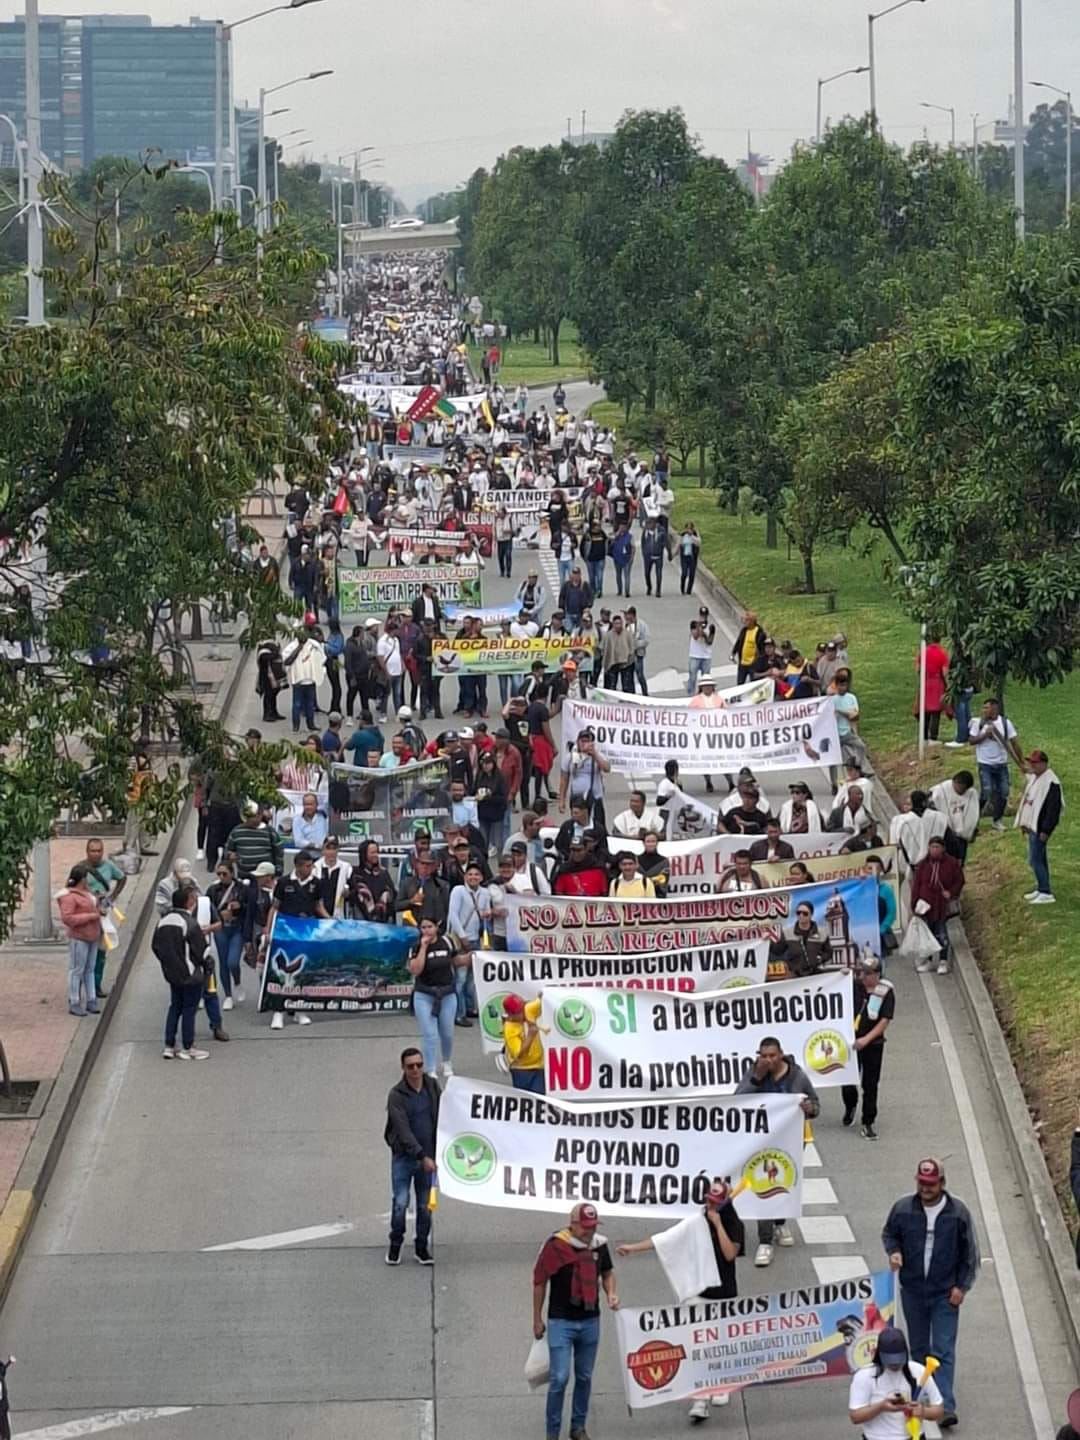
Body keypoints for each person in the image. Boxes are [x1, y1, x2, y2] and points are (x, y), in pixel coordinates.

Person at [616, 1179, 743, 1422]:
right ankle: (700, 1399)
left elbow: (730, 1253)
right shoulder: (696, 1221)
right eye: (708, 1200)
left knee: (720, 1345)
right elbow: (666, 1239)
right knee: (698, 1345)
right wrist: (633, 1248)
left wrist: (717, 1225)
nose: (710, 1205)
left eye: (715, 1202)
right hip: (699, 1293)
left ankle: (721, 1385)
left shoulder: (733, 1223)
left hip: (724, 1295)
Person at [882, 1157, 980, 1429]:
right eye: (922, 1183)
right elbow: (889, 1234)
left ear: (942, 1183)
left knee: (943, 1350)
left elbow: (971, 1255)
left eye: (931, 1184)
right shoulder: (903, 1209)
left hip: (945, 1293)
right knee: (919, 1348)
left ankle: (945, 1406)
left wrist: (962, 1286)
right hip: (912, 1290)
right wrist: (894, 1252)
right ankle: (922, 1399)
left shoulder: (958, 1213)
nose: (926, 1189)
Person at [533, 1203, 618, 1440]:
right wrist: (536, 1318)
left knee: (585, 1376)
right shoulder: (556, 1246)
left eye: (593, 1227)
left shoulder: (599, 1245)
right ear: (573, 1224)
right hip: (561, 1321)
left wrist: (611, 1292)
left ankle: (578, 1427)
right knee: (559, 1378)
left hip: (591, 1320)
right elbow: (540, 1280)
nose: (589, 1232)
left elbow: (608, 1273)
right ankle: (552, 1432)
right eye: (585, 1227)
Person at [735, 1037, 820, 1266]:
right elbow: (737, 1100)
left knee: (783, 1183)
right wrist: (756, 1078)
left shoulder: (797, 1076)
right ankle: (765, 1241)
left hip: (791, 1141)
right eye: (763, 1056)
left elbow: (815, 1104)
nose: (768, 1060)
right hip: (762, 1141)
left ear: (781, 1054)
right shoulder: (754, 1073)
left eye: (772, 1056)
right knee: (763, 1184)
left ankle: (780, 1223)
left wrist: (809, 1108)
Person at [384, 1047, 439, 1266]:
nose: (415, 1070)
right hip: (405, 1158)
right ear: (403, 1068)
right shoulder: (396, 1095)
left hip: (429, 1157)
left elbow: (445, 1112)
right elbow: (403, 1131)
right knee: (400, 1202)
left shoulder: (432, 1086)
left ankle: (421, 1247)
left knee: (426, 1205)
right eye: (410, 1066)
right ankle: (395, 1245)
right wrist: (421, 1156)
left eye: (419, 1065)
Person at [847, 1325, 945, 1437]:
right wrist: (882, 1407)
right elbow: (855, 1417)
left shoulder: (919, 1371)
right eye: (890, 1361)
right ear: (878, 1354)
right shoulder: (864, 1376)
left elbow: (939, 1409)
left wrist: (923, 1412)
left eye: (899, 1360)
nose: (895, 1365)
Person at [152, 885, 211, 1061]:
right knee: (189, 1009)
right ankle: (188, 1046)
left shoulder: (163, 921)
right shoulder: (190, 923)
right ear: (188, 902)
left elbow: (155, 946)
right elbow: (202, 951)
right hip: (190, 973)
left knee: (174, 1006)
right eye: (192, 899)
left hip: (171, 972)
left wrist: (168, 963)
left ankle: (169, 1046)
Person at [840, 954, 894, 1140]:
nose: (864, 976)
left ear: (877, 974)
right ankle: (850, 1105)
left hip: (873, 1044)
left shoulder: (885, 991)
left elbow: (884, 1020)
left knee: (870, 1085)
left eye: (869, 973)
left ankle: (868, 1122)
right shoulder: (854, 986)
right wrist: (841, 975)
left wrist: (867, 1039)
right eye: (863, 972)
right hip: (849, 1042)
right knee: (847, 1080)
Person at [408, 917, 460, 1080]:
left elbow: (456, 961)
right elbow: (416, 970)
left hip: (446, 994)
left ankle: (446, 1061)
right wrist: (423, 947)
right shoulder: (416, 946)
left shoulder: (448, 942)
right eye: (423, 927)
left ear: (436, 927)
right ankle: (430, 1068)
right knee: (430, 1034)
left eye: (429, 927)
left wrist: (473, 958)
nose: (426, 931)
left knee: (447, 1032)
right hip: (425, 995)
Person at [1014, 748, 1064, 905]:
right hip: (1033, 826)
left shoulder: (1052, 783)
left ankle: (1045, 891)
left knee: (1035, 859)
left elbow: (1052, 810)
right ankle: (1042, 887)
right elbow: (1030, 801)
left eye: (1035, 763)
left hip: (1041, 828)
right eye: (1031, 763)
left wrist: (1046, 830)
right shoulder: (1036, 778)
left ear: (1043, 763)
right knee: (1040, 858)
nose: (1032, 766)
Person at [910, 835, 964, 975]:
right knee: (927, 934)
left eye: (937, 847)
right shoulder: (923, 865)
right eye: (932, 847)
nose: (934, 850)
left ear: (943, 848)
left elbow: (959, 881)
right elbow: (917, 885)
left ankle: (943, 960)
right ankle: (928, 960)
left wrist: (951, 893)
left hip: (941, 905)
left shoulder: (951, 864)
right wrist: (914, 904)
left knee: (941, 933)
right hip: (926, 905)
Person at [968, 697, 1023, 831]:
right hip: (985, 763)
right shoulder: (978, 723)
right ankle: (974, 820)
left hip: (1001, 764)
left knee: (1004, 791)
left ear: (995, 708)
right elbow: (971, 740)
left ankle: (997, 820)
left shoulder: (1005, 723)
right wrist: (985, 735)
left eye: (987, 708)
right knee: (986, 792)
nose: (984, 710)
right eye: (984, 708)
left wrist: (1021, 760)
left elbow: (1014, 742)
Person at [447, 862, 492, 1025]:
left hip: (477, 939)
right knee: (460, 977)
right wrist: (462, 936)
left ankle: (470, 1007)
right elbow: (453, 915)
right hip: (461, 939)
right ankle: (459, 1013)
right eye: (470, 874)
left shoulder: (485, 893)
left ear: (481, 877)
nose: (473, 877)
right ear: (465, 877)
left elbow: (485, 916)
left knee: (473, 979)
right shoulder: (458, 891)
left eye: (476, 874)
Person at [57, 863, 104, 1018]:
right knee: (77, 969)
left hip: (93, 935)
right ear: (82, 879)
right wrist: (93, 916)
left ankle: (91, 999)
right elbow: (68, 918)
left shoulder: (87, 894)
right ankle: (74, 1000)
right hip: (79, 937)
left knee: (89, 968)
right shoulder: (69, 896)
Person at [84, 836, 126, 1001]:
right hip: (86, 914)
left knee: (101, 951)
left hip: (102, 913)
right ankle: (85, 987)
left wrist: (112, 896)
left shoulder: (108, 867)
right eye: (93, 851)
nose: (96, 854)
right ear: (87, 852)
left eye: (99, 850)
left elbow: (122, 878)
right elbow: (70, 888)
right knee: (86, 952)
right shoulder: (81, 868)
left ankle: (96, 985)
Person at [208, 860, 246, 1009]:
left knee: (233, 961)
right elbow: (207, 907)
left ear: (232, 873)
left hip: (237, 928)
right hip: (221, 929)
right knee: (223, 961)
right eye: (219, 874)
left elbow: (249, 908)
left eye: (225, 873)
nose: (222, 877)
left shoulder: (241, 888)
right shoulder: (213, 890)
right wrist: (218, 915)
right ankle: (228, 995)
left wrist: (240, 907)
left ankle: (237, 981)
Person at [558, 729, 610, 831]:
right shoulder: (570, 757)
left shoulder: (598, 755)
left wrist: (594, 754)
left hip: (594, 797)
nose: (584, 744)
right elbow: (564, 779)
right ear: (578, 741)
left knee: (597, 826)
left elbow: (606, 768)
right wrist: (562, 800)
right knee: (577, 825)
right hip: (577, 798)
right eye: (582, 741)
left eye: (587, 741)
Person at [929, 771, 980, 864]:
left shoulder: (971, 793)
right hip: (945, 835)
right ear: (956, 782)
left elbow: (974, 813)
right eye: (961, 789)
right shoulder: (940, 791)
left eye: (965, 790)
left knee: (959, 861)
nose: (963, 792)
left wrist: (971, 831)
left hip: (961, 837)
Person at [283, 626, 324, 733]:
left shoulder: (313, 645)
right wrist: (299, 648)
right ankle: (296, 726)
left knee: (310, 704)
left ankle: (311, 725)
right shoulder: (291, 646)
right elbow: (287, 661)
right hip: (298, 681)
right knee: (297, 704)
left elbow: (322, 658)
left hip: (310, 680)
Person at [502, 993, 546, 1092]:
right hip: (522, 1070)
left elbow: (542, 1000)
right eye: (519, 1012)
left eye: (523, 1009)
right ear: (511, 1015)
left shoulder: (528, 1009)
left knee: (540, 1098)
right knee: (526, 1099)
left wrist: (544, 995)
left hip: (539, 1066)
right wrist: (530, 1036)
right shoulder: (509, 1029)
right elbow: (519, 1054)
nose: (524, 1014)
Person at [914, 635, 950, 742]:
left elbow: (918, 669)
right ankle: (933, 737)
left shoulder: (922, 652)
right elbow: (945, 672)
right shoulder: (942, 653)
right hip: (937, 683)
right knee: (936, 711)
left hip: (925, 682)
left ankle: (923, 737)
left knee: (924, 710)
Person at [730, 610, 764, 684]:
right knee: (740, 683)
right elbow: (739, 642)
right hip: (743, 663)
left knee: (754, 684)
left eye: (746, 620)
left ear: (752, 621)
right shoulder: (744, 630)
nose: (744, 622)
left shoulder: (759, 632)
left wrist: (758, 660)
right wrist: (733, 653)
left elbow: (762, 649)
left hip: (753, 664)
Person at [679, 523, 701, 594]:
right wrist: (672, 555)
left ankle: (689, 590)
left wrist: (693, 535)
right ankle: (682, 588)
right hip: (684, 557)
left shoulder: (695, 536)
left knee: (692, 574)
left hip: (692, 558)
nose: (688, 530)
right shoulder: (683, 536)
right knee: (684, 573)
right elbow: (678, 545)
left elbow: (699, 543)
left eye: (690, 529)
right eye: (687, 529)